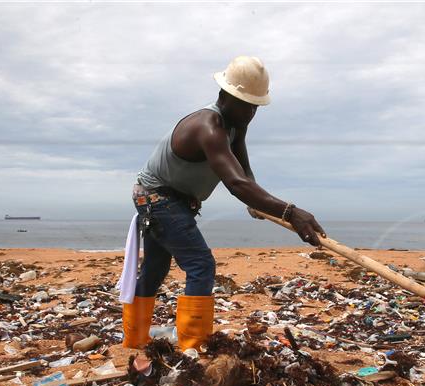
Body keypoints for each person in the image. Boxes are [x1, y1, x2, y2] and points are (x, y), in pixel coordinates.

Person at [121, 56, 325, 352]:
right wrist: (290, 212)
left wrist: (258, 203)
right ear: (226, 96)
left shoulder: (235, 124)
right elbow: (236, 184)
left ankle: (135, 341)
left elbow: (243, 169)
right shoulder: (209, 126)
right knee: (201, 264)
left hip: (169, 199)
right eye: (247, 104)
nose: (252, 112)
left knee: (155, 267)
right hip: (158, 198)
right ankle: (193, 348)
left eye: (256, 106)